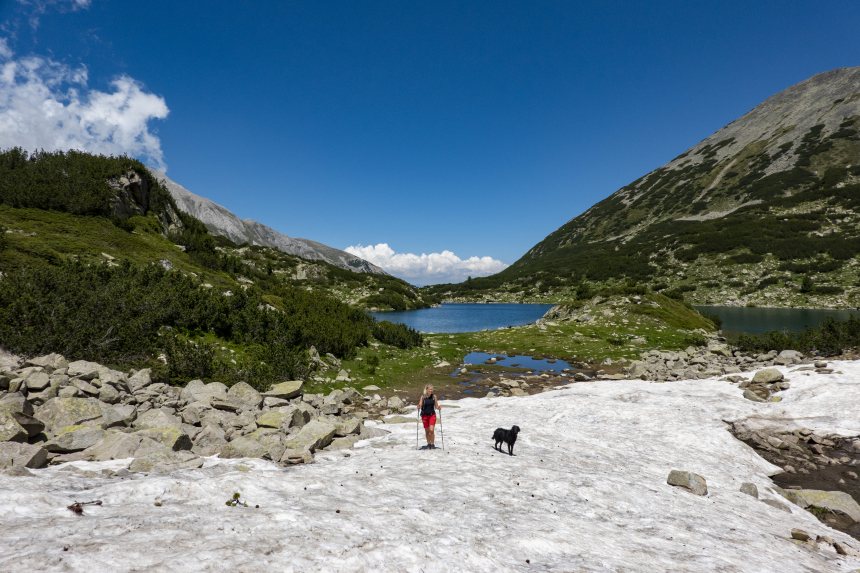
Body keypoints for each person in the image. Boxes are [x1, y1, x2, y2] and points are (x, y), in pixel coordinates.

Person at [417, 384, 441, 449]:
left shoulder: (434, 397)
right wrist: (419, 406)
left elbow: (436, 406)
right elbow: (420, 404)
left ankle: (432, 444)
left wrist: (438, 407)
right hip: (424, 416)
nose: (431, 390)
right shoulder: (423, 397)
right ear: (426, 390)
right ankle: (428, 444)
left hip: (432, 415)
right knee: (427, 431)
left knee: (431, 430)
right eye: (430, 389)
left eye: (432, 389)